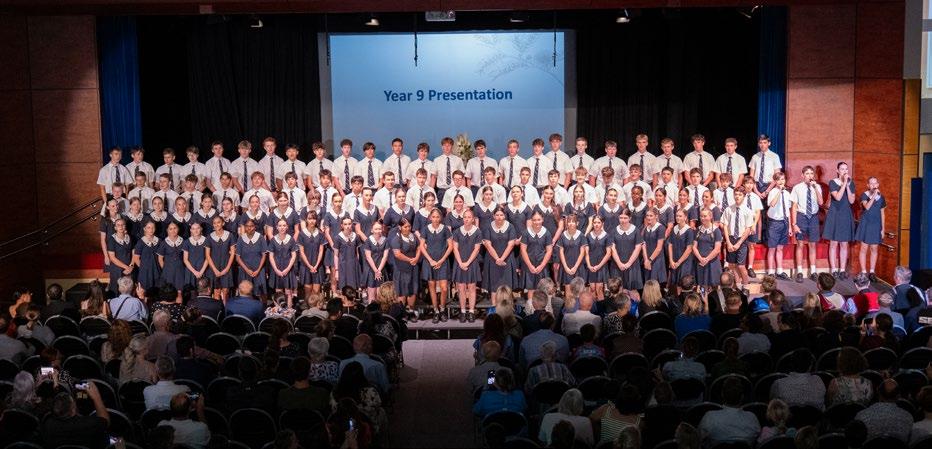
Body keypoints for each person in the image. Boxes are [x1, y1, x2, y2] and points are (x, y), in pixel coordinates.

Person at [698, 376, 761, 447]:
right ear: (742, 397)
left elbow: (698, 439)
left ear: (722, 395)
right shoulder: (752, 419)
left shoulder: (710, 417)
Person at [41, 386, 110, 449]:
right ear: (73, 410)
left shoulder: (47, 424)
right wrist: (96, 397)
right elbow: (105, 421)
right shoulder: (88, 425)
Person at [823, 162, 857, 279]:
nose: (845, 171)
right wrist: (843, 184)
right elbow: (837, 197)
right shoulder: (832, 182)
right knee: (833, 243)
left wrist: (847, 185)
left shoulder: (851, 183)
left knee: (844, 243)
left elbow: (852, 200)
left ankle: (842, 269)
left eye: (846, 169)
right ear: (837, 171)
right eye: (842, 169)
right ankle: (833, 269)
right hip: (835, 214)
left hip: (845, 214)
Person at [791, 166, 824, 282]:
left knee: (812, 245)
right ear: (802, 175)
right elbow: (794, 206)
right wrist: (794, 223)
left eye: (811, 173)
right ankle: (799, 271)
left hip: (813, 217)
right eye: (807, 173)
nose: (809, 176)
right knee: (800, 244)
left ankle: (813, 271)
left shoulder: (817, 187)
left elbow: (821, 202)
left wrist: (815, 188)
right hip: (801, 217)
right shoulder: (797, 188)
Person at [482, 206, 518, 294]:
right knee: (494, 288)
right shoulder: (488, 227)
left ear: (504, 216)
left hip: (507, 259)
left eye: (501, 215)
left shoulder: (510, 227)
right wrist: (497, 259)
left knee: (507, 287)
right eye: (497, 215)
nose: (499, 217)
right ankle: (494, 303)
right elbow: (488, 245)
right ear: (493, 216)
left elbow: (511, 245)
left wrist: (502, 259)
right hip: (492, 259)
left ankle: (507, 304)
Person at [390, 218, 421, 317]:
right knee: (402, 291)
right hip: (401, 268)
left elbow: (419, 247)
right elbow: (397, 254)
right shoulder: (396, 239)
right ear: (400, 227)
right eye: (405, 227)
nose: (408, 228)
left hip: (413, 267)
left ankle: (411, 311)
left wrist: (416, 257)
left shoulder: (413, 236)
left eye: (409, 226)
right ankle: (402, 313)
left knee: (412, 289)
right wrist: (410, 260)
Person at [522, 210, 554, 302]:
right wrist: (530, 266)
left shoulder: (547, 233)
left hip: (542, 265)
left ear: (542, 219)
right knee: (530, 289)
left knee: (543, 289)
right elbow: (523, 250)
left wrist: (542, 265)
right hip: (529, 264)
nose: (536, 222)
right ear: (531, 220)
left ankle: (543, 309)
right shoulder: (526, 233)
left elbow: (549, 251)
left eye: (539, 219)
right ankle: (530, 309)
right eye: (534, 220)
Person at [267, 217, 299, 307]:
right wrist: (276, 270)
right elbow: (271, 256)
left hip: (288, 268)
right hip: (277, 268)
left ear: (287, 227)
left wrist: (288, 269)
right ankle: (279, 312)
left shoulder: (291, 239)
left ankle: (289, 312)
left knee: (288, 292)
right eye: (280, 226)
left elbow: (294, 255)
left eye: (284, 225)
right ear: (276, 227)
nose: (282, 227)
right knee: (278, 292)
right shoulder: (273, 240)